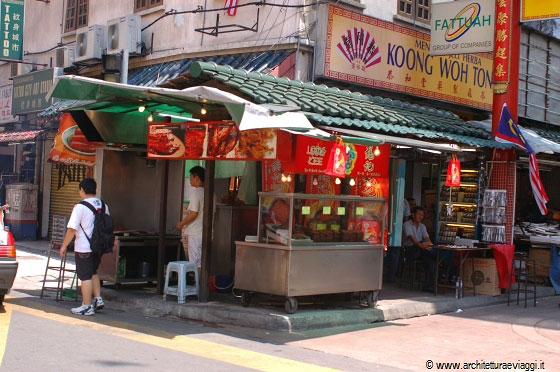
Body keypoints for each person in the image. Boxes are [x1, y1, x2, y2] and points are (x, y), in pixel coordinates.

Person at [60, 178, 108, 316]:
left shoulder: (80, 207)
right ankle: (98, 299)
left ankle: (87, 306)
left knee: (85, 276)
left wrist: (64, 246)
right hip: (98, 247)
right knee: (93, 271)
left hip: (84, 247)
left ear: (82, 190)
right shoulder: (104, 205)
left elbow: (71, 229)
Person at [176, 166, 205, 277]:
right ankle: (200, 287)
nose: (189, 180)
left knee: (196, 263)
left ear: (196, 177)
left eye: (191, 177)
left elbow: (194, 213)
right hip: (206, 234)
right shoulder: (211, 193)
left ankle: (197, 289)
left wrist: (181, 224)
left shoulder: (197, 193)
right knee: (202, 262)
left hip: (196, 233)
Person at [403, 206, 435, 292]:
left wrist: (429, 245)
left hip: (422, 251)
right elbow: (412, 238)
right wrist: (421, 245)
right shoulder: (407, 224)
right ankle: (438, 257)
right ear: (413, 215)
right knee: (431, 253)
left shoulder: (422, 226)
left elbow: (427, 238)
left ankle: (428, 286)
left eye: (422, 215)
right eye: (419, 214)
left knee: (431, 263)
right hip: (410, 250)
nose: (420, 216)